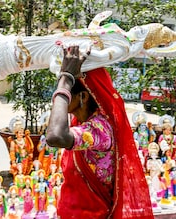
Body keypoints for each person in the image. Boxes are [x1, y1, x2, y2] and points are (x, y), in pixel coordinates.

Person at [45, 45, 154, 218]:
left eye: (66, 91)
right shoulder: (81, 122)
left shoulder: (99, 129)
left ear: (84, 96)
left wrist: (66, 78)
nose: (59, 95)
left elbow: (55, 136)